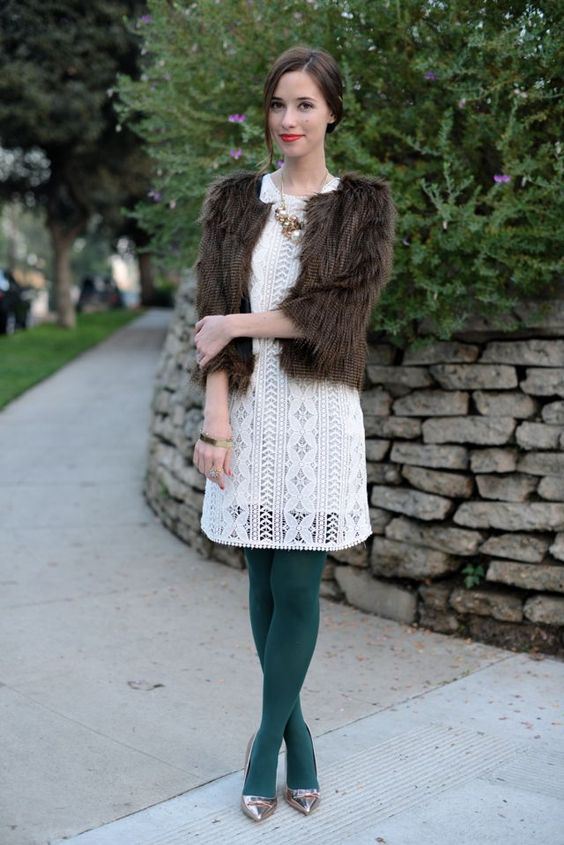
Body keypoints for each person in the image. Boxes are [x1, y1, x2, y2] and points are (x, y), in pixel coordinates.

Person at [190, 45, 396, 822]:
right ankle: (299, 735)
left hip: (317, 414)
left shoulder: (362, 205)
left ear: (332, 111)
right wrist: (217, 420)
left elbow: (332, 319)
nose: (288, 120)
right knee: (260, 578)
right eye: (278, 104)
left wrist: (234, 322)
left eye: (305, 104)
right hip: (247, 414)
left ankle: (263, 745)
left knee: (296, 582)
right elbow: (211, 320)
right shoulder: (233, 201)